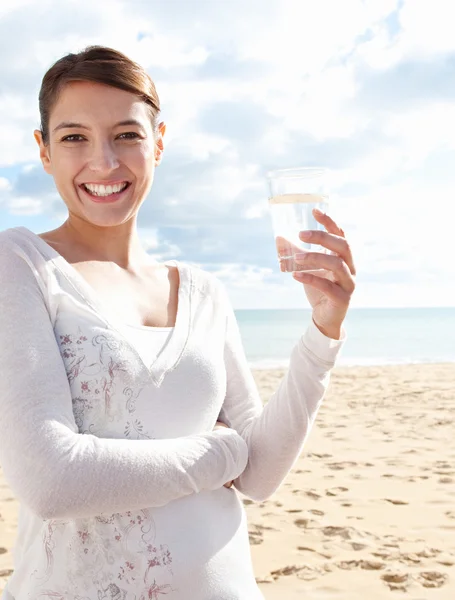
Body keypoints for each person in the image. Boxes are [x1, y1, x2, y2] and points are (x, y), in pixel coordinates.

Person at [0, 46, 356, 600]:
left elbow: (260, 475)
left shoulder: (203, 293)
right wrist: (222, 453)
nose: (104, 161)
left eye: (127, 134)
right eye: (74, 137)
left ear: (158, 143)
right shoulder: (21, 264)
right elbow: (52, 478)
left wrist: (323, 332)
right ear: (43, 151)